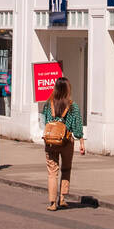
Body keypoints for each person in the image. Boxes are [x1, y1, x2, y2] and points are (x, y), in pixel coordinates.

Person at [41, 77, 85, 211]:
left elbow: (45, 121)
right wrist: (81, 141)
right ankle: (63, 198)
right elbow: (77, 128)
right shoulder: (73, 106)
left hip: (51, 142)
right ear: (68, 89)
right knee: (66, 169)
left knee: (52, 172)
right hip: (66, 142)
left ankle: (52, 203)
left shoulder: (49, 104)